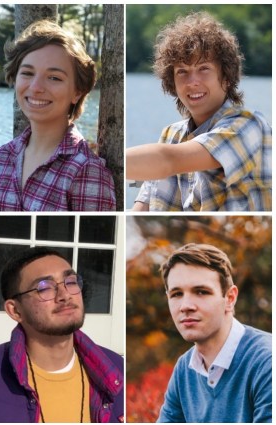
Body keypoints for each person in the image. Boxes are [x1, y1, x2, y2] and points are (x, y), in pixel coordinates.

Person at [129, 12, 272, 211]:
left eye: (203, 68)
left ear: (226, 77)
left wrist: (107, 161)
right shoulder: (171, 136)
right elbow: (142, 209)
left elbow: (168, 160)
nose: (192, 81)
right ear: (172, 83)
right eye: (182, 72)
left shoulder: (248, 125)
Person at [0, 248, 124, 423]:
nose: (65, 295)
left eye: (70, 282)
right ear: (15, 310)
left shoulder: (116, 369)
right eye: (44, 288)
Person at [0, 20, 116, 211]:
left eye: (54, 78)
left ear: (77, 92)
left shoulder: (86, 170)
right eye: (28, 73)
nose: (36, 87)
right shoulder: (2, 158)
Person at [157, 243, 271, 422]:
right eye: (177, 294)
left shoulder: (267, 362)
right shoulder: (184, 369)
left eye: (201, 292)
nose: (186, 306)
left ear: (230, 298)